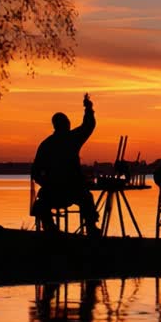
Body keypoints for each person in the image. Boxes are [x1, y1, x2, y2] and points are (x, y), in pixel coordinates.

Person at [31, 93, 102, 236]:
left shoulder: (46, 144)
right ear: (66, 125)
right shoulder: (71, 139)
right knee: (87, 198)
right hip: (70, 191)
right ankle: (91, 228)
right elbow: (88, 126)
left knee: (42, 202)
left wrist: (46, 183)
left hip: (53, 192)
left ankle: (50, 228)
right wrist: (89, 109)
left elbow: (35, 172)